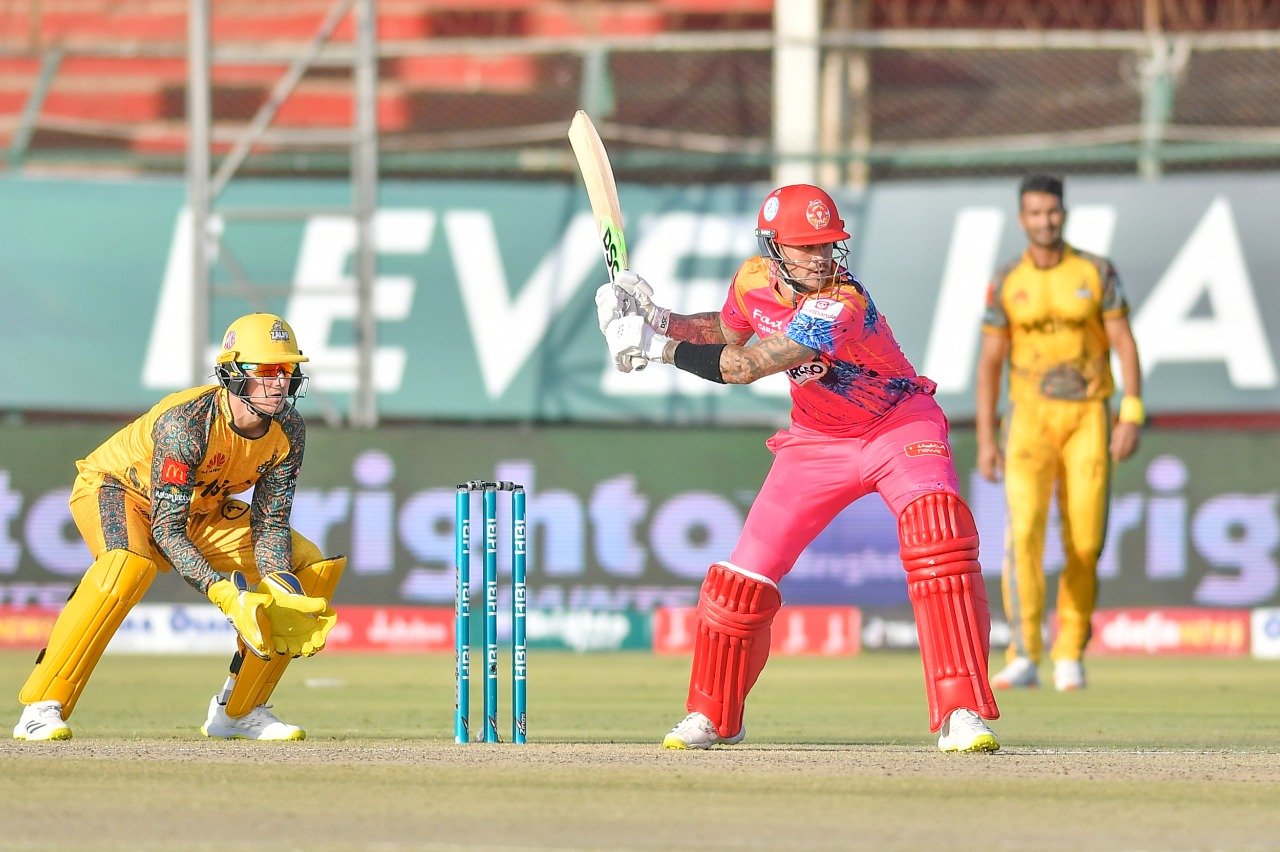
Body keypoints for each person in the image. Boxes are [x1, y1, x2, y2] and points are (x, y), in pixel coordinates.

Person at [596, 184, 1000, 752]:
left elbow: (745, 365)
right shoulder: (751, 280)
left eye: (828, 244)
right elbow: (729, 331)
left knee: (939, 534)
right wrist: (657, 318)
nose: (821, 257)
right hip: (817, 440)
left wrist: (655, 350)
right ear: (774, 249)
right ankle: (713, 716)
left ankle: (961, 712)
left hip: (898, 424)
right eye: (806, 247)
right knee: (741, 580)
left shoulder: (842, 304)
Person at [12, 313, 344, 742]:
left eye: (287, 370)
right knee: (126, 567)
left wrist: (280, 583)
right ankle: (41, 707)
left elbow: (271, 524)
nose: (280, 382)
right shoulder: (187, 424)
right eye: (266, 370)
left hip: (200, 509)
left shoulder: (288, 429)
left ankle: (239, 711)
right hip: (121, 491)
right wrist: (226, 594)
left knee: (306, 567)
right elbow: (166, 531)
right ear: (234, 374)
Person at [975, 174, 1143, 692]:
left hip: (1088, 415)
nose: (1045, 221)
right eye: (1035, 213)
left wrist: (1131, 411)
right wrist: (986, 438)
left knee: (1085, 538)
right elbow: (990, 364)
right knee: (1022, 533)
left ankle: (1070, 650)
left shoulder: (1094, 272)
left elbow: (1124, 342)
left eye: (1053, 212)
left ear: (1063, 214)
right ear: (1022, 218)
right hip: (1027, 418)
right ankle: (1024, 653)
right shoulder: (1007, 281)